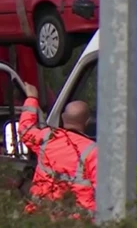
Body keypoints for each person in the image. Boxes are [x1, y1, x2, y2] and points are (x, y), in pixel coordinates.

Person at [19, 82, 98, 217]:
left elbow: (25, 130)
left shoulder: (47, 138)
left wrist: (32, 98)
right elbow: (104, 192)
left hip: (40, 217)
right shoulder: (94, 151)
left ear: (62, 117)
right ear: (87, 122)